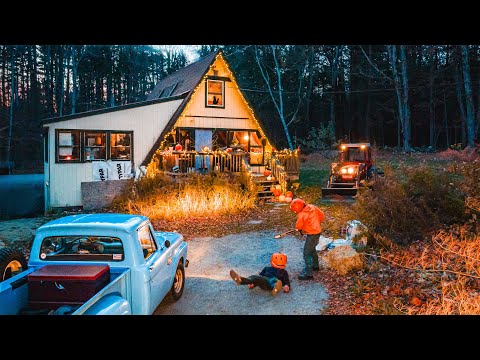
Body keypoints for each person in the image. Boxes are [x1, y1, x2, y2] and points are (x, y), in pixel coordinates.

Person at [289, 198, 325, 280]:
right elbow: (322, 215)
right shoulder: (312, 207)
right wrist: (317, 223)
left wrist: (299, 228)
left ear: (297, 208)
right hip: (317, 232)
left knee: (306, 253)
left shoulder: (301, 214)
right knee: (312, 250)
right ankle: (315, 266)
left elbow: (298, 226)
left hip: (312, 234)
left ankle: (308, 274)